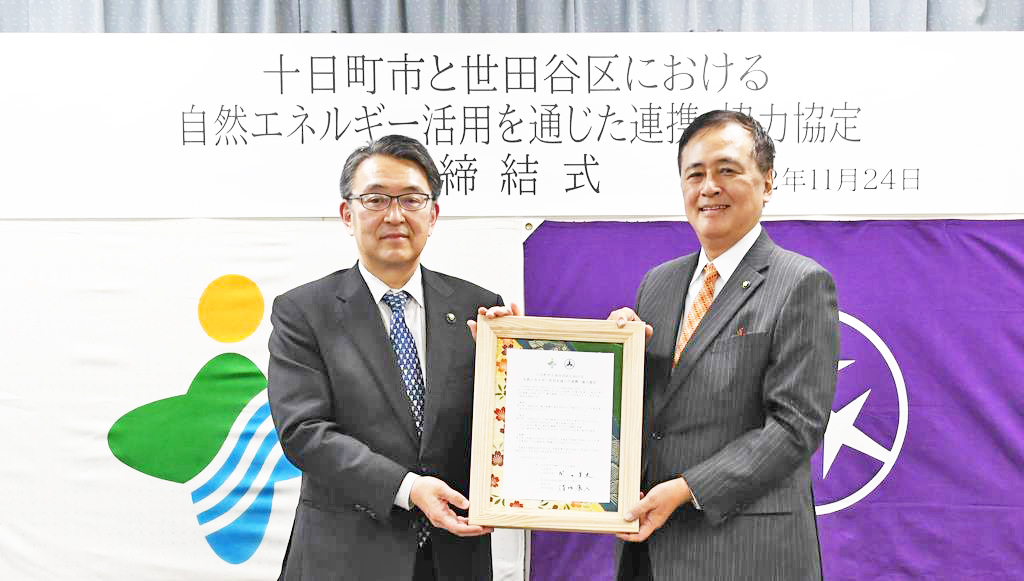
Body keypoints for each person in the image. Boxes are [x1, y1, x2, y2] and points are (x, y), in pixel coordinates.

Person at [607, 110, 840, 580]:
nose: (709, 187)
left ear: (767, 182)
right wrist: (616, 356)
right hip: (650, 549)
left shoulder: (801, 283)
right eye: (695, 174)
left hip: (746, 552)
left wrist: (686, 488)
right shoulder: (658, 284)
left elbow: (795, 427)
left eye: (727, 170)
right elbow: (650, 413)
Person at [267, 134, 505, 581]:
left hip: (455, 559)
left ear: (432, 215)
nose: (395, 215)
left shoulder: (479, 310)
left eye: (412, 199)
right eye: (376, 199)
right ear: (347, 214)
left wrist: (518, 363)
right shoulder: (304, 312)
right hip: (345, 559)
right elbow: (303, 431)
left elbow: (502, 429)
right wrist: (408, 489)